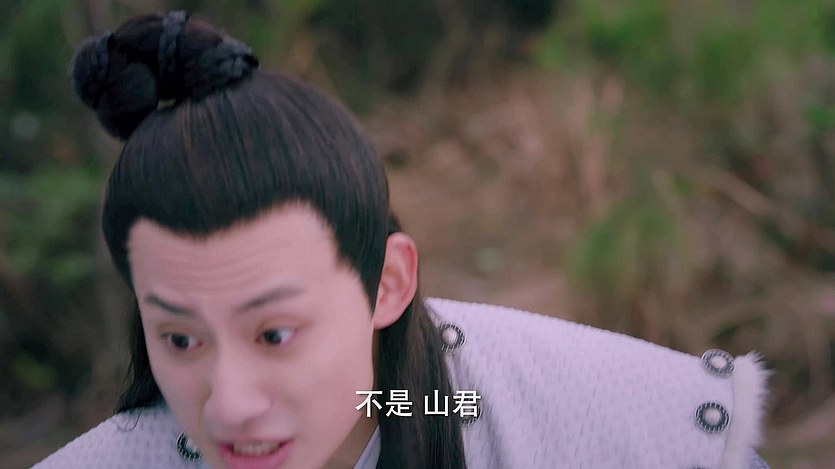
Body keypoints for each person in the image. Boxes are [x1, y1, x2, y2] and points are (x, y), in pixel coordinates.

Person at [34, 11, 770, 469]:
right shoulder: (135, 456)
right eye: (180, 339)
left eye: (275, 333)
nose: (229, 405)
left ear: (387, 283)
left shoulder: (475, 404)